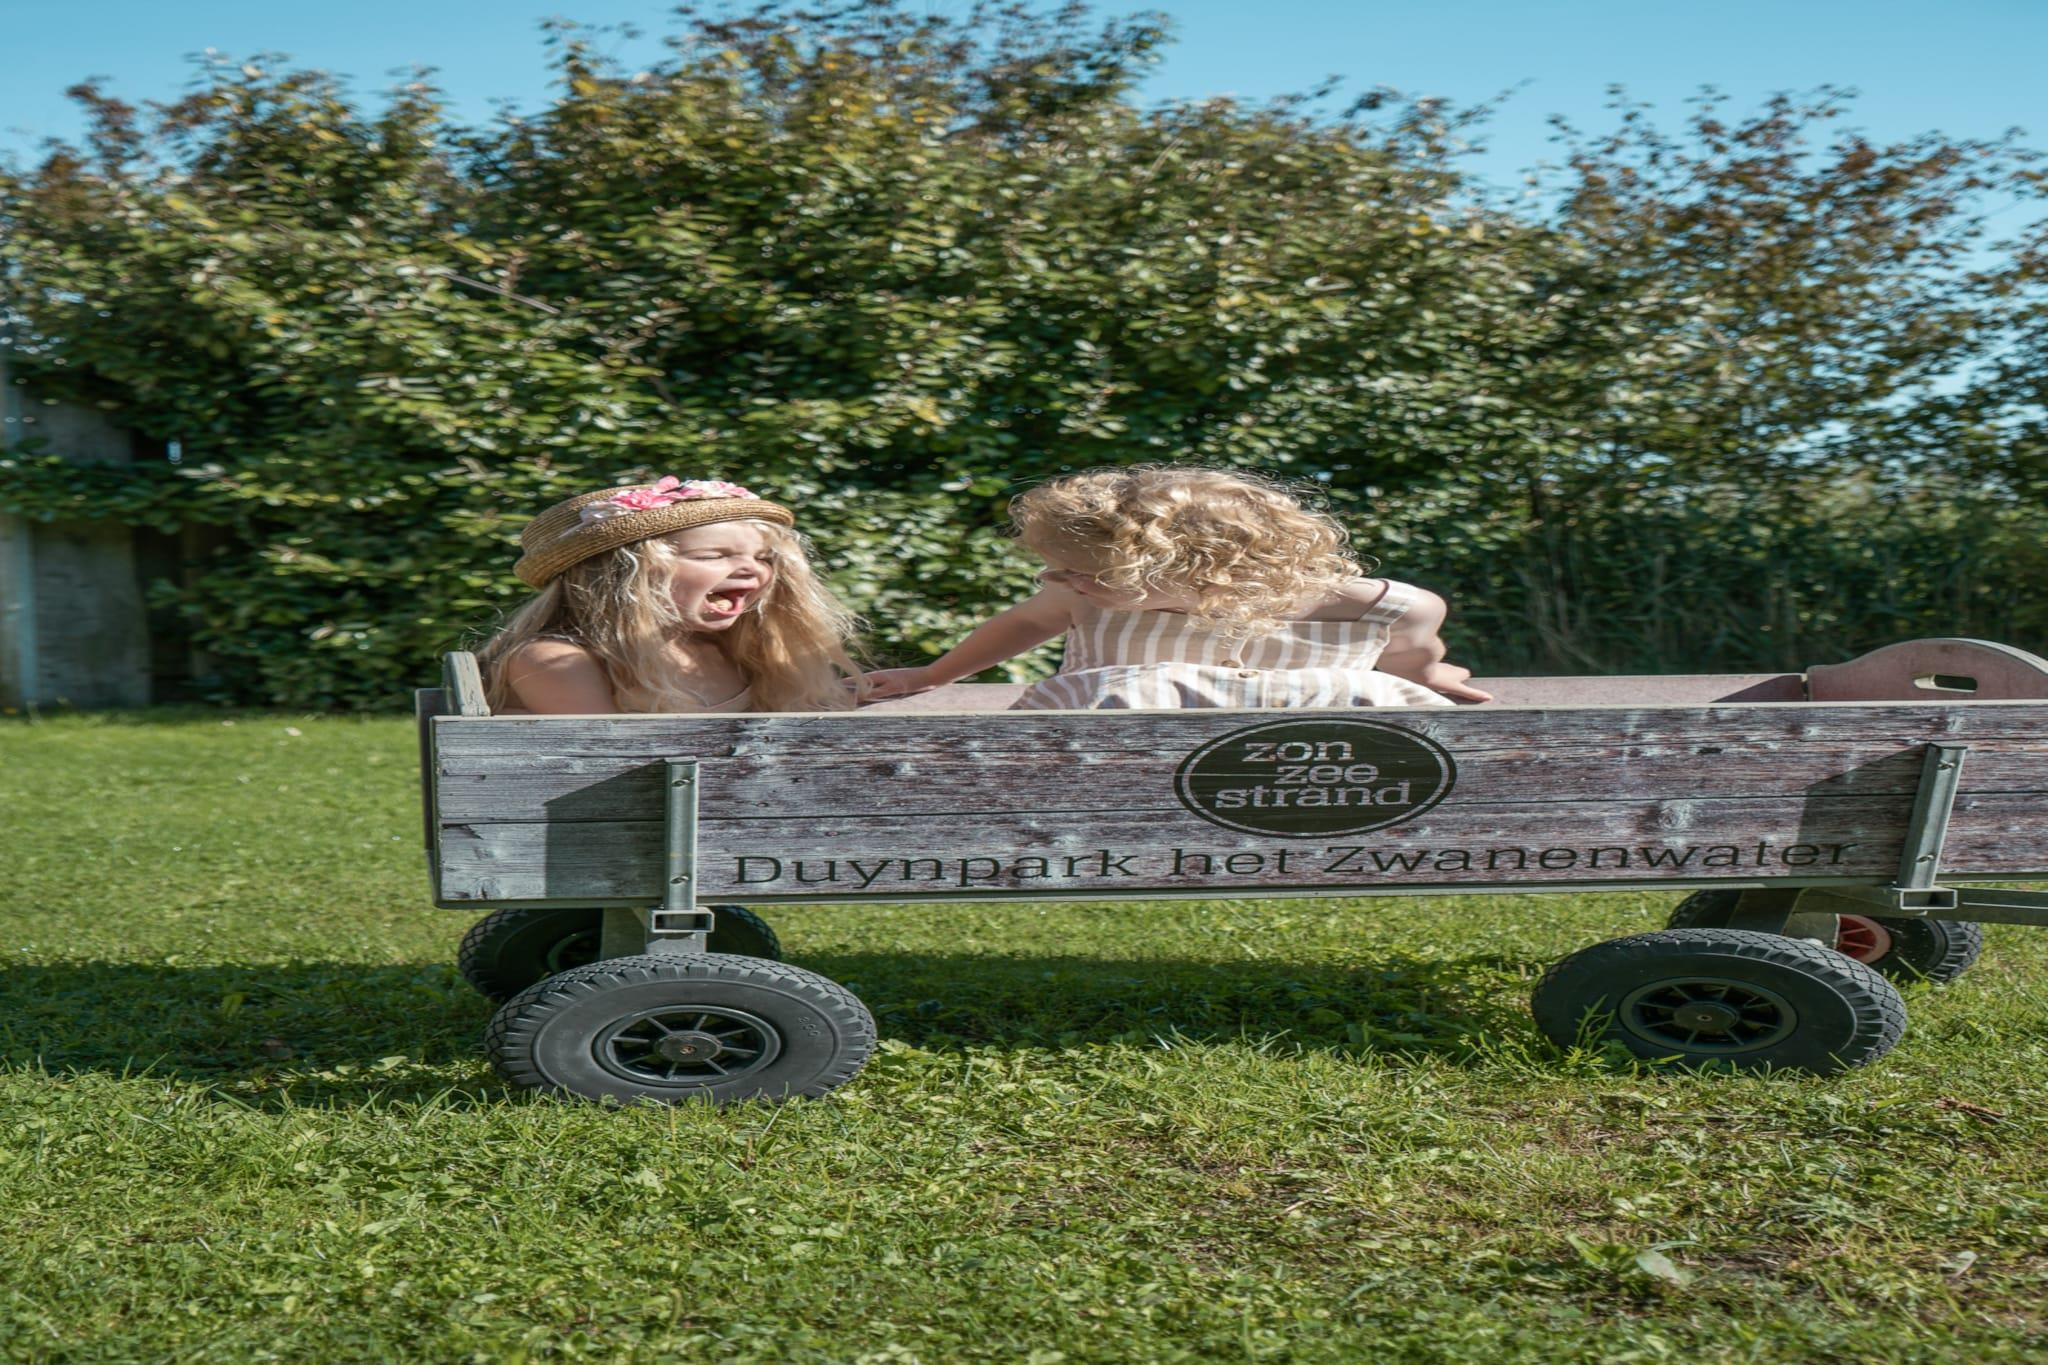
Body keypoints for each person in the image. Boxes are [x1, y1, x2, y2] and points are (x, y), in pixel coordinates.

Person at [862, 465, 1489, 709]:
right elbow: (1023, 624)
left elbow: (1412, 652)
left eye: (1081, 572)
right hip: (1112, 764)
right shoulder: (1083, 597)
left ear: (1196, 570)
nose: (1056, 581)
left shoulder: (1381, 607)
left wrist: (1427, 676)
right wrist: (933, 675)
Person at [476, 476, 862, 714]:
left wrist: (873, 693)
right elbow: (613, 765)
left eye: (763, 558)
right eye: (713, 556)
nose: (752, 569)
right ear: (622, 577)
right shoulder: (557, 661)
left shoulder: (734, 652)